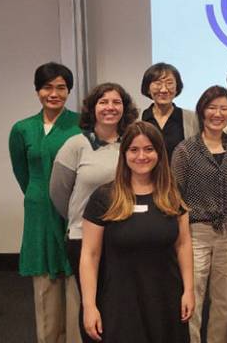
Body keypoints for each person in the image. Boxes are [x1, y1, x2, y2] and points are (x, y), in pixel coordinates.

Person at [79, 121, 194, 342]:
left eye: (149, 149)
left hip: (166, 297)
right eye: (134, 150)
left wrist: (188, 290)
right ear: (124, 154)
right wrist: (89, 305)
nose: (142, 156)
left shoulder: (172, 193)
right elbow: (90, 255)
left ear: (159, 153)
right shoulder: (104, 198)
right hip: (121, 300)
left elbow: (183, 244)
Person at [49, 82, 138, 334]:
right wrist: (87, 220)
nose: (110, 107)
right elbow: (58, 193)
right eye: (103, 102)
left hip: (124, 235)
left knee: (121, 302)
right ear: (93, 108)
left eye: (116, 102)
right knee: (92, 304)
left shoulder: (132, 143)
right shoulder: (75, 145)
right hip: (84, 237)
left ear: (125, 108)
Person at [9, 62, 82, 343]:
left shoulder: (80, 124)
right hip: (39, 211)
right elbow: (22, 172)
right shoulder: (22, 129)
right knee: (45, 286)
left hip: (74, 207)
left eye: (61, 87)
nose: (54, 93)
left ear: (69, 91)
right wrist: (39, 194)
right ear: (38, 90)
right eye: (47, 87)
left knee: (76, 282)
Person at [171, 85, 227, 343]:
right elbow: (175, 196)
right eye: (212, 107)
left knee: (224, 301)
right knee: (194, 297)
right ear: (202, 110)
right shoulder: (185, 150)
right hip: (195, 233)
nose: (218, 113)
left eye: (224, 108)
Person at [140, 62, 198, 159]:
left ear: (177, 88)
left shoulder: (192, 119)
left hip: (180, 174)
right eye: (158, 83)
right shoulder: (138, 118)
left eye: (169, 83)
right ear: (147, 88)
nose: (163, 90)